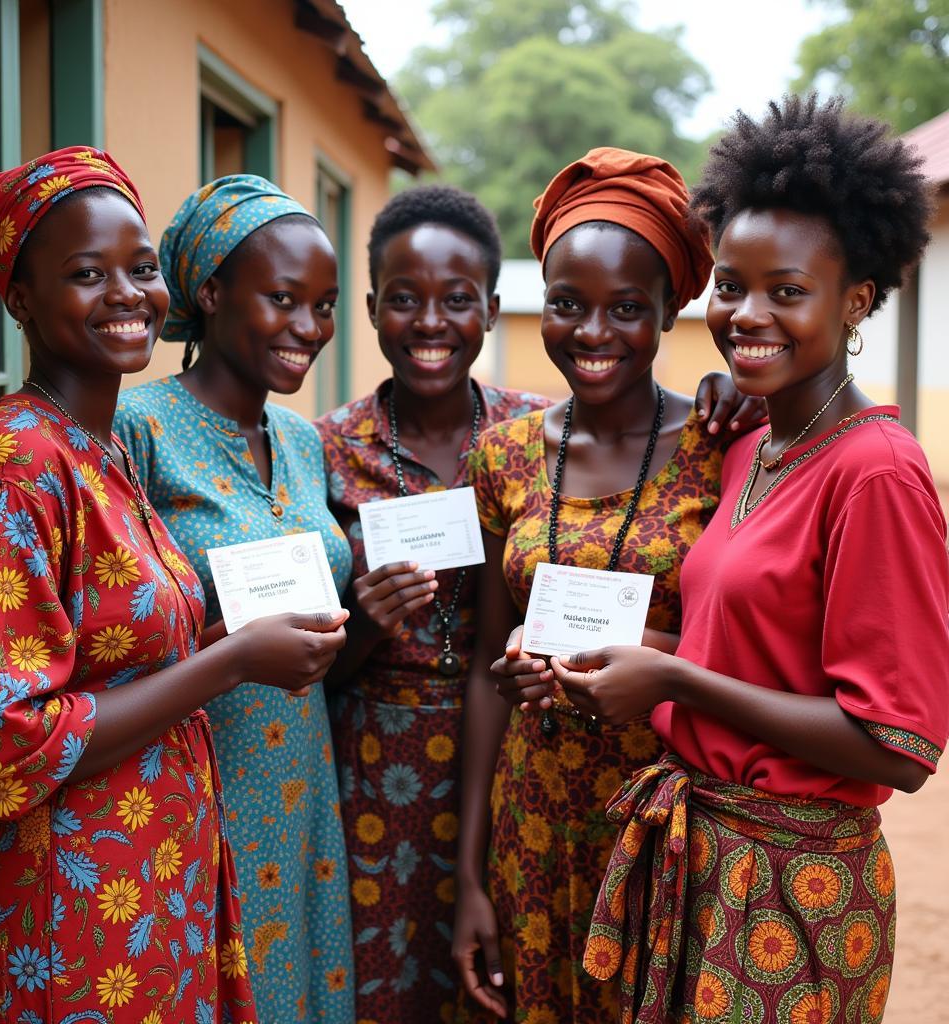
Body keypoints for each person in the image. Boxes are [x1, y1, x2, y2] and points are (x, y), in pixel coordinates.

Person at [558, 96, 949, 1022]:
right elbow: (743, 644)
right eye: (730, 285)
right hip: (703, 865)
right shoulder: (753, 444)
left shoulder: (877, 472)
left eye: (787, 290)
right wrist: (604, 659)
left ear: (856, 299)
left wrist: (674, 682)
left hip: (794, 895)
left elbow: (899, 744)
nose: (746, 314)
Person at [0, 147, 343, 1023]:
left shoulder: (101, 450)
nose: (127, 294)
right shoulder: (15, 463)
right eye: (87, 274)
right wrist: (232, 662)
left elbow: (118, 662)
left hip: (159, 885)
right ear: (20, 300)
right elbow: (1, 751)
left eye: (139, 268)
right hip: (72, 910)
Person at [452, 148, 762, 1023]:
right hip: (534, 823)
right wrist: (471, 873)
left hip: (675, 821)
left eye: (627, 308)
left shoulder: (723, 446)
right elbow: (485, 664)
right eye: (567, 305)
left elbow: (751, 641)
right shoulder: (503, 455)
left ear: (672, 311)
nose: (592, 334)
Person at [114, 175, 356, 1023]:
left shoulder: (300, 439)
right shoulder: (136, 429)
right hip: (198, 778)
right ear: (210, 291)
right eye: (283, 299)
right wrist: (226, 644)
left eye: (324, 306)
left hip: (301, 776)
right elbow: (114, 634)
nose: (308, 329)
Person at [314, 184, 548, 1024]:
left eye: (456, 300)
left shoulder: (542, 437)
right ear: (373, 308)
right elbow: (311, 669)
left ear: (490, 306)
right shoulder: (324, 450)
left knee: (505, 984)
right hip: (375, 770)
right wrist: (366, 626)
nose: (430, 322)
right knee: (385, 984)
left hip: (521, 753)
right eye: (404, 299)